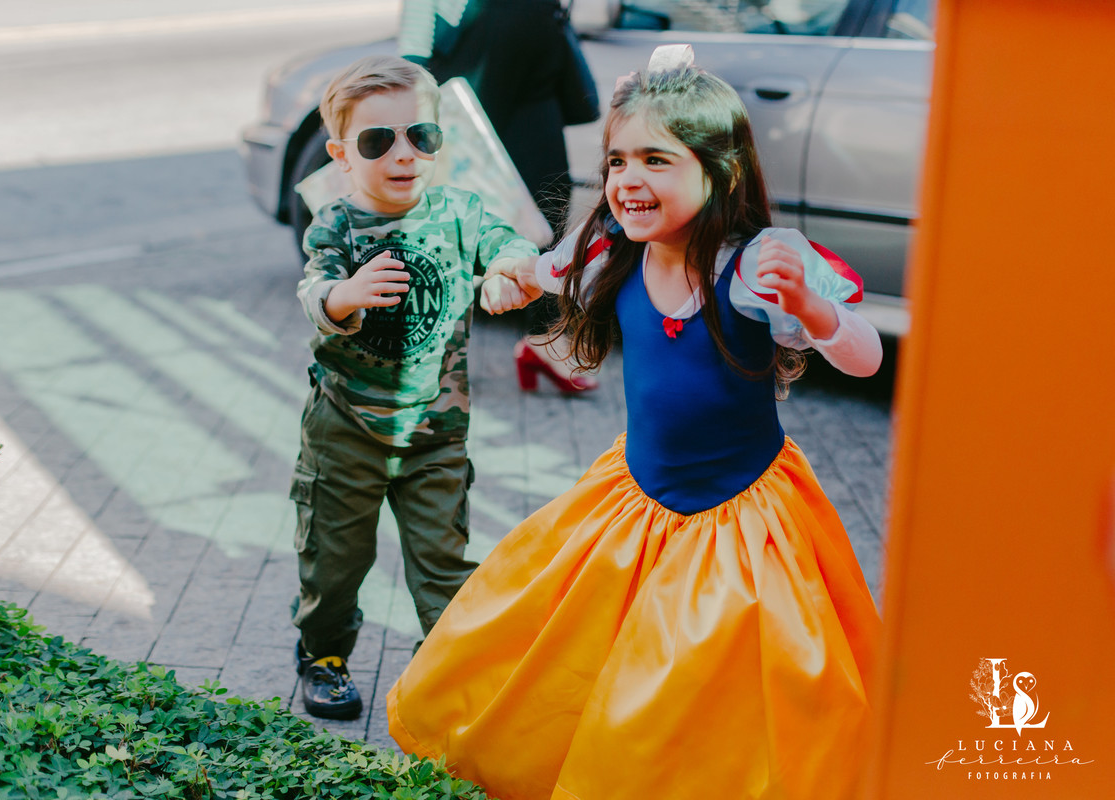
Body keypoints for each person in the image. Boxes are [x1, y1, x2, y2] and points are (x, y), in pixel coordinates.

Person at [385, 46, 884, 799]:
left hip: (742, 518)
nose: (627, 179)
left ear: (722, 173)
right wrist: (507, 283)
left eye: (657, 159)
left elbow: (867, 358)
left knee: (724, 668)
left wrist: (813, 310)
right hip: (637, 499)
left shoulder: (755, 266)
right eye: (617, 161)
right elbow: (536, 272)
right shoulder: (610, 251)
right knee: (575, 642)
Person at [290, 54, 539, 721]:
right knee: (333, 561)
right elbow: (314, 291)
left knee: (444, 563)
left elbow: (509, 243)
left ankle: (448, 666)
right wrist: (346, 294)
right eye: (378, 141)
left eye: (421, 136)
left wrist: (510, 270)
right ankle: (323, 654)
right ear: (342, 155)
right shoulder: (337, 224)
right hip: (345, 430)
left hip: (436, 434)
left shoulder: (460, 213)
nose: (404, 154)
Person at [399, 0, 602, 393]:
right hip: (469, 91)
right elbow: (416, 37)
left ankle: (545, 341)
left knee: (548, 213)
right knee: (450, 224)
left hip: (534, 84)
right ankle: (430, 348)